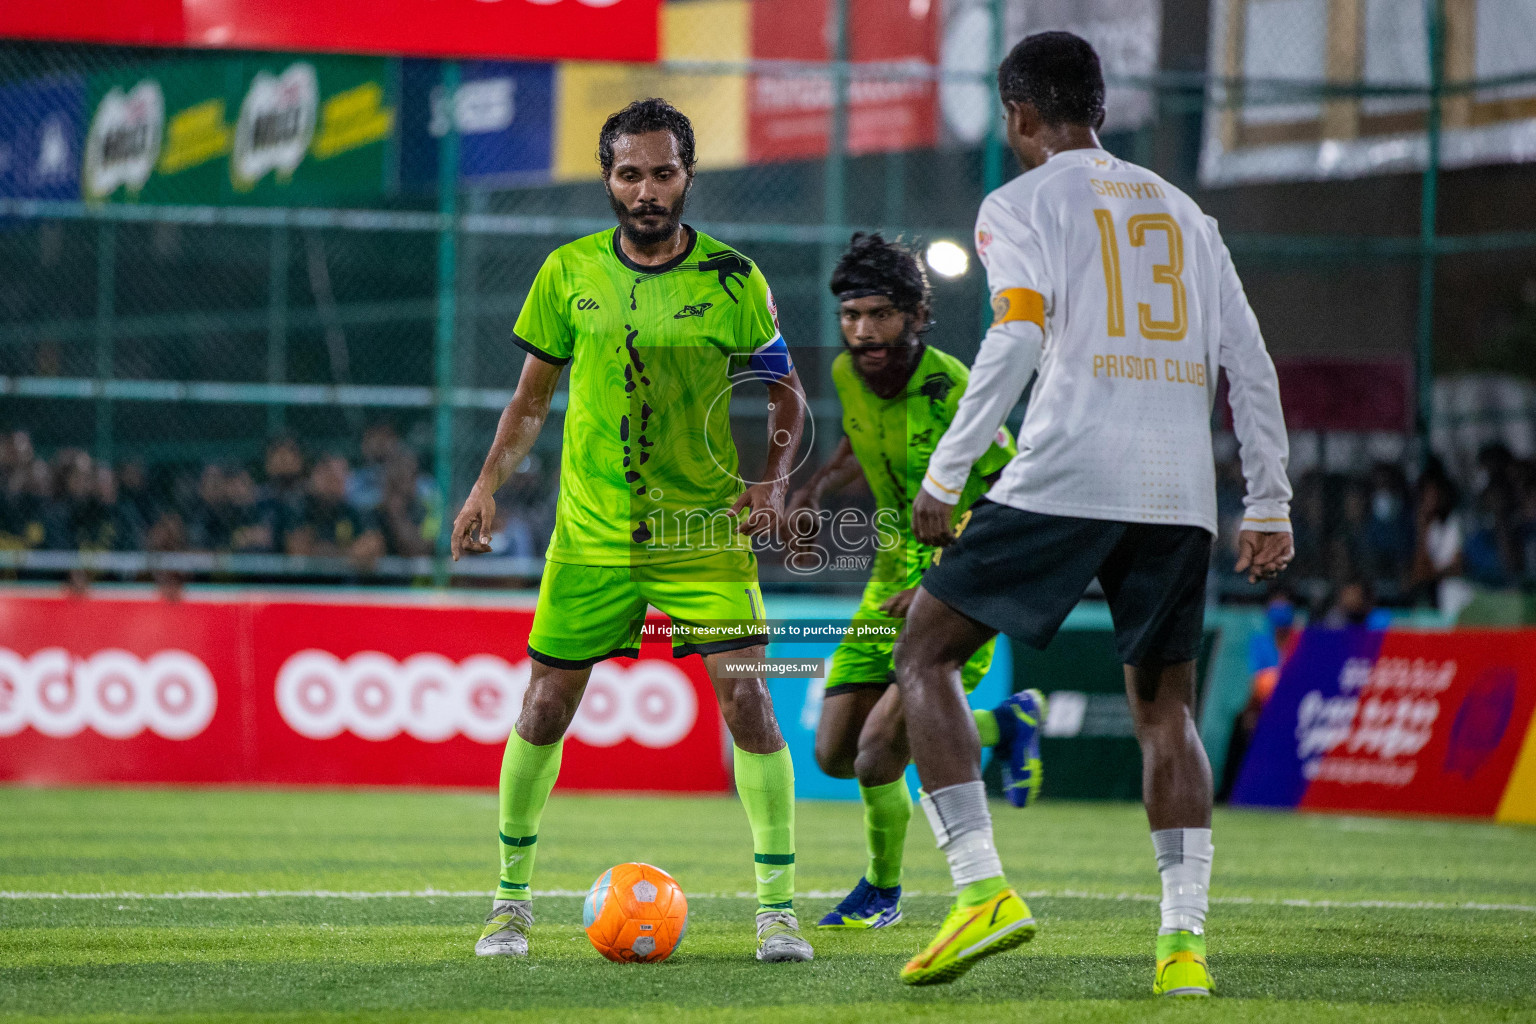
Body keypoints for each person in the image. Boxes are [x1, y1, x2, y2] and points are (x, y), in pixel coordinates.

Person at [892, 33, 1293, 994]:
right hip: (1179, 491)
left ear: (1020, 115)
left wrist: (947, 475)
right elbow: (1252, 362)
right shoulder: (1189, 215)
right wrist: (1268, 498)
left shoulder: (1019, 202)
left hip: (1068, 472)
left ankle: (981, 888)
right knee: (1167, 713)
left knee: (923, 650)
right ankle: (1182, 948)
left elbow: (1019, 331)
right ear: (1101, 109)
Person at [450, 98, 813, 964]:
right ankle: (509, 905)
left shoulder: (735, 279)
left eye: (662, 173)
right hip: (591, 533)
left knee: (751, 701)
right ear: (608, 179)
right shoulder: (567, 271)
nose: (645, 191)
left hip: (702, 536)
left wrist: (771, 482)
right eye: (628, 174)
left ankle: (778, 911)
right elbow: (530, 402)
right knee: (544, 705)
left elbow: (786, 392)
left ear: (687, 175)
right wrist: (484, 488)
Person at [784, 232, 1044, 931]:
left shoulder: (955, 389)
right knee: (835, 752)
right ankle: (1005, 723)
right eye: (850, 316)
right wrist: (819, 485)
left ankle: (883, 891)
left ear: (913, 314)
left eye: (878, 315)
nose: (862, 332)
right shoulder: (846, 375)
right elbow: (860, 439)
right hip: (885, 581)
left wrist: (941, 580)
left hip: (963, 583)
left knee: (876, 755)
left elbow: (1006, 501)